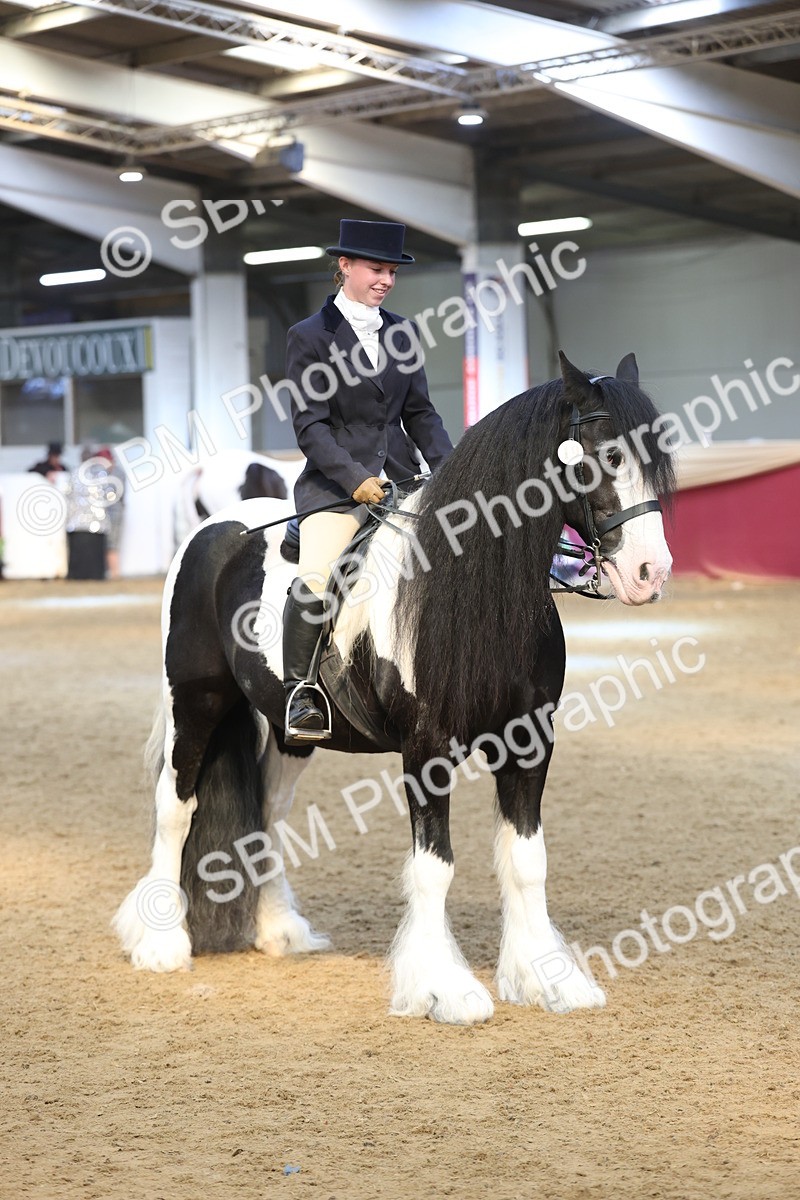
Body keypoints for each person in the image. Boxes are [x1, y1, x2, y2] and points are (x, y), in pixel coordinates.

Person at [282, 218, 453, 743]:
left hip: (403, 480)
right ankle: (302, 691)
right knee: (316, 576)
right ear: (345, 267)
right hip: (335, 488)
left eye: (392, 271)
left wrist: (452, 469)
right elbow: (309, 425)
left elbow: (421, 414)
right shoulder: (309, 336)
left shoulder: (401, 331)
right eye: (376, 269)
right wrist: (355, 479)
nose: (386, 279)